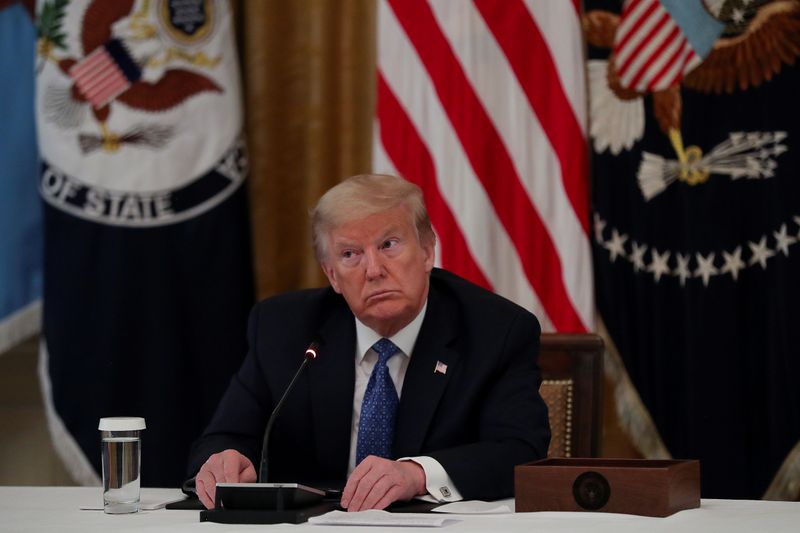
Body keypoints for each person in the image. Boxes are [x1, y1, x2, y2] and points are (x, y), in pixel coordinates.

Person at [188, 174, 550, 511]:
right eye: (350, 255)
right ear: (332, 274)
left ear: (426, 252)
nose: (373, 270)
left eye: (389, 245)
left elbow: (519, 451)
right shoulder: (283, 329)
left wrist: (416, 475)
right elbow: (226, 435)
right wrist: (226, 459)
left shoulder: (496, 330)